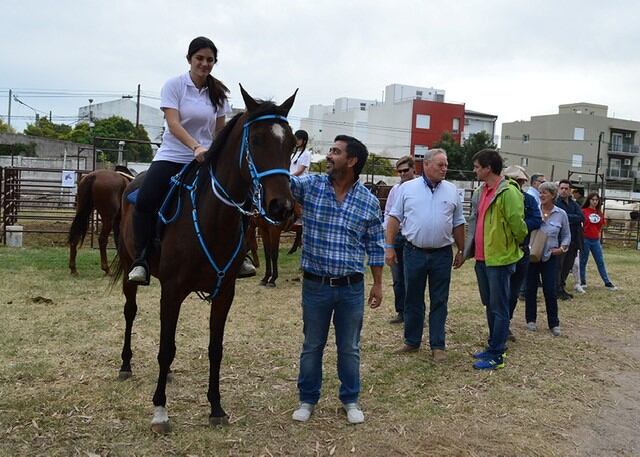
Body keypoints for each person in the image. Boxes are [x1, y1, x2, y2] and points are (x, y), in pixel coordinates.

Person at [290, 135, 384, 425]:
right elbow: (285, 183)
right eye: (330, 150)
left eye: (335, 152)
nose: (329, 156)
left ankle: (350, 399)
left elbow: (376, 245)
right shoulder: (313, 185)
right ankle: (307, 399)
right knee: (312, 345)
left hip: (351, 288)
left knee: (349, 347)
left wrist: (378, 284)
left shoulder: (368, 201)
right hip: (316, 285)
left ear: (352, 160)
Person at [128, 36, 231, 284]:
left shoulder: (219, 93)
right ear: (189, 59)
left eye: (210, 60)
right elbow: (173, 124)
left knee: (236, 198)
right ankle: (141, 259)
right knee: (145, 200)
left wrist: (216, 154)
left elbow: (219, 131)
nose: (204, 64)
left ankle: (240, 254)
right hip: (173, 156)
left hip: (205, 160)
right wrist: (195, 146)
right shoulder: (174, 85)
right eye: (200, 58)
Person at [385, 148, 465, 362]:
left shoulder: (452, 190)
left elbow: (458, 222)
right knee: (413, 298)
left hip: (442, 255)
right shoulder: (407, 189)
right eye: (440, 164)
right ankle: (412, 341)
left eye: (446, 164)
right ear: (426, 165)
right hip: (413, 252)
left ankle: (437, 345)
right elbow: (394, 218)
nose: (445, 168)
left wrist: (462, 249)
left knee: (440, 300)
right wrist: (389, 247)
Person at [464, 149, 527, 370]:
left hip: (499, 259)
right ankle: (493, 346)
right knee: (490, 305)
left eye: (477, 167)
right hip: (482, 259)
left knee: (499, 307)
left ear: (488, 168)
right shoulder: (481, 192)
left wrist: (512, 245)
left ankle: (497, 354)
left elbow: (518, 225)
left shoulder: (508, 192)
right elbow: (474, 221)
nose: (475, 170)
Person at [525, 182, 570, 336]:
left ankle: (554, 323)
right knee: (530, 289)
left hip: (550, 257)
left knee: (550, 290)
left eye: (544, 192)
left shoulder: (561, 214)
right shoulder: (533, 211)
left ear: (552, 195)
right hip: (532, 255)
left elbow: (566, 235)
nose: (541, 195)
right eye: (540, 192)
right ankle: (530, 319)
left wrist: (562, 248)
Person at [502, 166, 542, 342]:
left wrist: (518, 226)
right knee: (500, 291)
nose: (517, 184)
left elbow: (537, 220)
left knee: (513, 291)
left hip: (521, 249)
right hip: (503, 249)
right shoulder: (500, 198)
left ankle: (505, 323)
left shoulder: (529, 200)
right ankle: (499, 325)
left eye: (519, 181)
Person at [383, 156, 416, 324]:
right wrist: (387, 233)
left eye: (405, 170)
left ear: (413, 170)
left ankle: (414, 312)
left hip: (411, 237)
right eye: (400, 171)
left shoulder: (420, 188)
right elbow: (388, 212)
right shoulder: (395, 190)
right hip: (396, 236)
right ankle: (401, 311)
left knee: (412, 277)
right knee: (397, 278)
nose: (402, 173)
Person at [580, 193, 617, 290]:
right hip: (585, 239)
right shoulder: (583, 211)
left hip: (595, 240)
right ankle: (582, 281)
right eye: (593, 199)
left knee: (600, 261)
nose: (595, 201)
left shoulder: (599, 213)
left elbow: (601, 225)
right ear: (589, 200)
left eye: (596, 200)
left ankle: (607, 282)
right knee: (583, 261)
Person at [555, 179, 584, 300]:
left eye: (566, 188)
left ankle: (561, 287)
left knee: (568, 265)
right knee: (559, 266)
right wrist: (571, 217)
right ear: (558, 189)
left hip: (574, 239)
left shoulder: (574, 204)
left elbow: (581, 217)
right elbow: (558, 218)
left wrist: (566, 216)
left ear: (570, 190)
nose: (564, 190)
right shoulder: (556, 203)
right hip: (561, 240)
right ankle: (557, 289)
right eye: (562, 188)